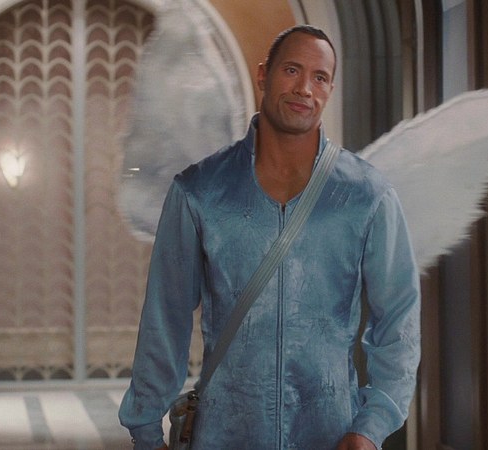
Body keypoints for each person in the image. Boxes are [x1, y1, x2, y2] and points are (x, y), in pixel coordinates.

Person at [118, 25, 421, 450]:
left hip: (331, 436)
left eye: (320, 77)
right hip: (224, 435)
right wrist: (147, 432)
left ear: (330, 90)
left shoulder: (366, 195)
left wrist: (372, 426)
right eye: (292, 70)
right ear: (264, 74)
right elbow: (164, 318)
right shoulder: (200, 191)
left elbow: (399, 319)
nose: (304, 89)